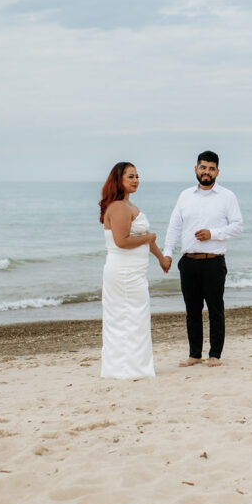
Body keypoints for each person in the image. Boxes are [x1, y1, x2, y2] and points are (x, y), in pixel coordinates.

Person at [162, 151, 243, 368]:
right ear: (196, 169)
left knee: (215, 310)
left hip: (213, 262)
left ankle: (215, 355)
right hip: (188, 262)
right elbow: (174, 227)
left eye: (211, 168)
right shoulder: (185, 196)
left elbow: (237, 225)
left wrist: (213, 234)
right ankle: (195, 354)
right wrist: (167, 253)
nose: (207, 172)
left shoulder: (227, 196)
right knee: (192, 311)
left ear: (217, 171)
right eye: (203, 167)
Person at [98, 162, 170, 379]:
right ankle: (126, 369)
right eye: (130, 176)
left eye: (137, 176)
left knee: (135, 318)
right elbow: (122, 241)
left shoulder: (130, 206)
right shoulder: (119, 207)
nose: (136, 180)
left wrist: (161, 258)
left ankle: (133, 367)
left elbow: (144, 236)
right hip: (124, 272)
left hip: (134, 272)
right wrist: (148, 238)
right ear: (118, 180)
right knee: (127, 318)